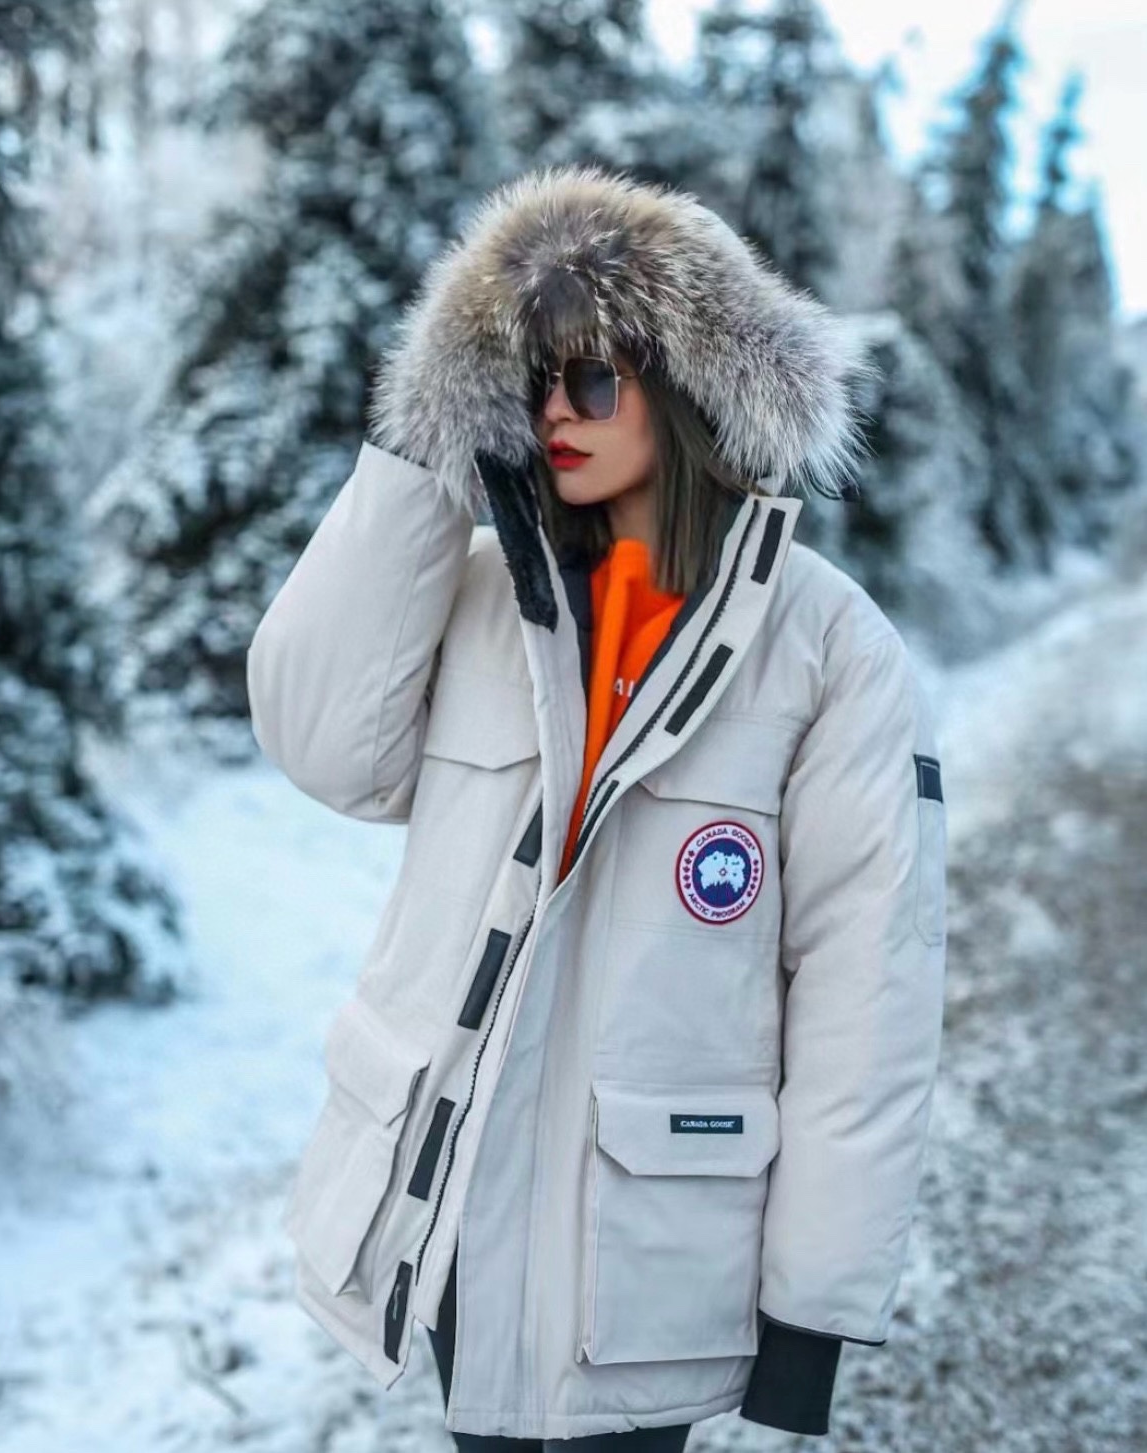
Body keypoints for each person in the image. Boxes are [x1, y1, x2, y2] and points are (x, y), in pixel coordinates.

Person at [246, 163, 948, 1448]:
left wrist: (811, 1308)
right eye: (534, 380)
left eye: (596, 378)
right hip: (454, 1209)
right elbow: (326, 745)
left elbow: (870, 996)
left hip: (646, 1249)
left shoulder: (828, 644)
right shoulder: (472, 596)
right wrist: (422, 450)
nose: (557, 410)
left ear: (686, 387)